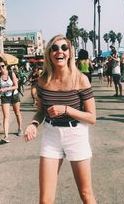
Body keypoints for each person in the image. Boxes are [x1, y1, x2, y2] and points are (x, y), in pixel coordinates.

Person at [24, 35, 96, 203]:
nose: (60, 51)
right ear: (49, 54)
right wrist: (34, 124)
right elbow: (41, 112)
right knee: (45, 200)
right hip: (51, 136)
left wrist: (66, 109)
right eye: (54, 48)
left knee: (86, 194)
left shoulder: (81, 79)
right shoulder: (43, 80)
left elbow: (92, 118)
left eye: (64, 48)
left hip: (76, 135)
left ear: (70, 53)